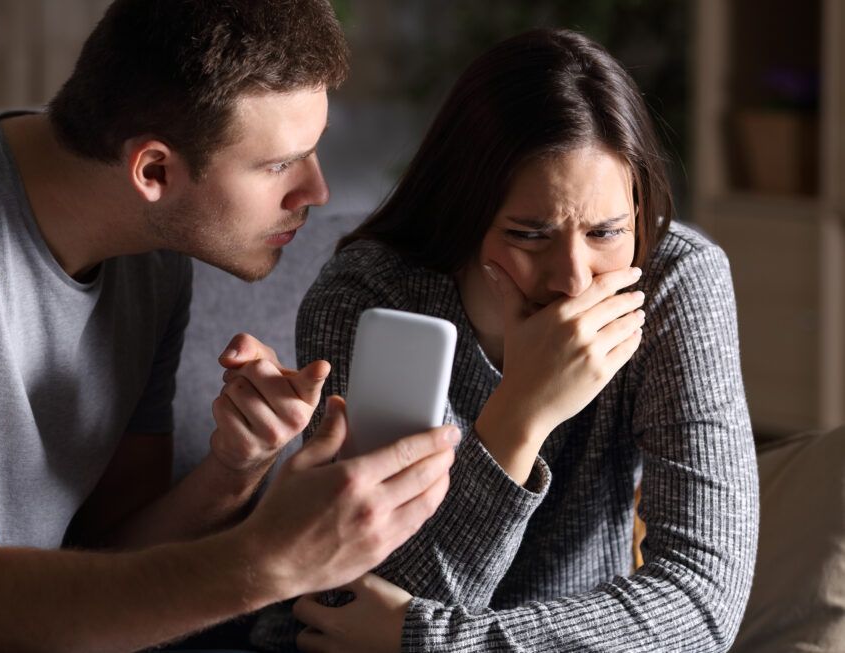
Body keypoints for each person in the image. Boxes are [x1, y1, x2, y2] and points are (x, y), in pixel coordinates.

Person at [0, 1, 459, 651]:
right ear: (153, 171)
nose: (316, 192)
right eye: (279, 164)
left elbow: (108, 551)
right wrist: (269, 560)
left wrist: (234, 469)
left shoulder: (153, 255)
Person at [261, 28, 759, 652]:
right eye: (529, 235)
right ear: (464, 213)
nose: (573, 280)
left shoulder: (673, 282)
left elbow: (702, 601)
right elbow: (351, 612)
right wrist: (521, 413)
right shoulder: (368, 298)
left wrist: (434, 641)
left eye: (606, 232)